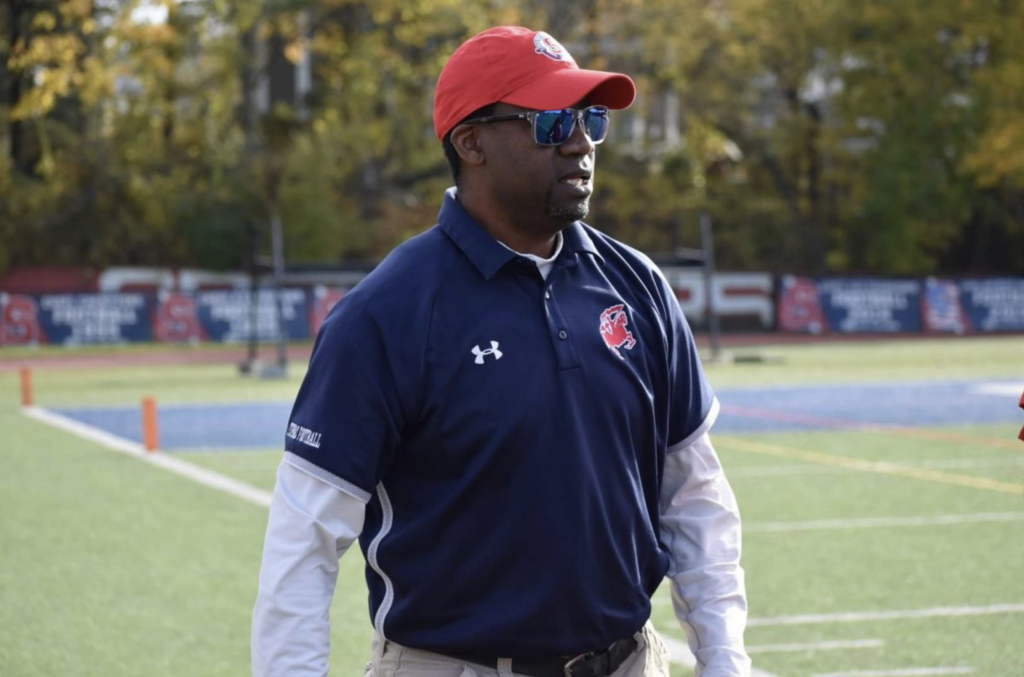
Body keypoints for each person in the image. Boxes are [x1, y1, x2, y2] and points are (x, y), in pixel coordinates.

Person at [252, 25, 751, 677]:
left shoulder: (639, 287)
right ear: (471, 141)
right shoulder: (386, 313)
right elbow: (303, 543)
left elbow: (696, 499)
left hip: (630, 661)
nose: (578, 142)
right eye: (549, 121)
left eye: (588, 118)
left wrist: (725, 661)